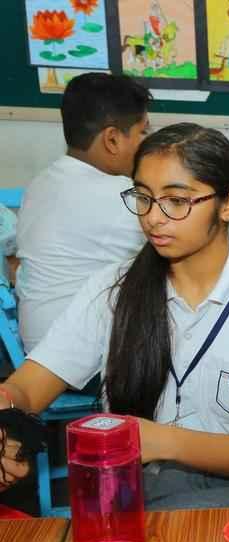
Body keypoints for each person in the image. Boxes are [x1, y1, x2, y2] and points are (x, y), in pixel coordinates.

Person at [0, 123, 229, 509]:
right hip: (142, 489)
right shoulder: (114, 289)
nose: (153, 217)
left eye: (176, 201)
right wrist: (6, 410)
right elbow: (29, 387)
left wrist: (157, 440)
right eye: (143, 197)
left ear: (228, 204)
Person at [16, 73, 151, 353]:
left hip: (37, 349)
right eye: (143, 132)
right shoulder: (121, 196)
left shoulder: (41, 183)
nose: (147, 143)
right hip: (82, 360)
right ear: (112, 139)